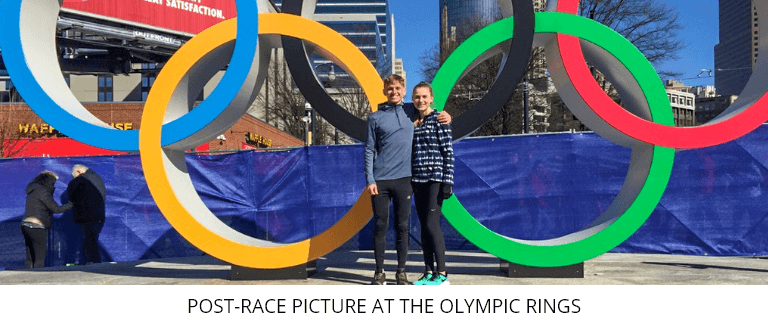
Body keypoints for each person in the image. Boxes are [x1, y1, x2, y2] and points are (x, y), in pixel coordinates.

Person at [364, 74, 451, 285]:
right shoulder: (375, 117)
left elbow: (431, 112)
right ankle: (379, 272)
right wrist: (370, 179)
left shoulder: (411, 110)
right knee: (381, 226)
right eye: (390, 88)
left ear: (404, 91)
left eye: (398, 88)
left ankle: (403, 272)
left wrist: (448, 115)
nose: (394, 92)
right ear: (385, 91)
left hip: (406, 180)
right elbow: (368, 149)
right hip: (382, 180)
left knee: (404, 227)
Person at [409, 82, 454, 285]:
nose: (421, 100)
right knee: (423, 227)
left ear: (431, 98)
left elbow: (448, 152)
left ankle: (442, 274)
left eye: (424, 97)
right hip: (416, 179)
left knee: (431, 224)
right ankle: (428, 271)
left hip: (434, 178)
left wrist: (447, 181)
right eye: (417, 97)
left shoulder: (440, 119)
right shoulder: (413, 121)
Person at [20, 171, 73, 268]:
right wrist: (71, 204)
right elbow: (56, 209)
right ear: (49, 181)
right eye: (53, 183)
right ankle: (38, 279)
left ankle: (26, 278)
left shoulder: (33, 190)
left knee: (30, 256)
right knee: (39, 257)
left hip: (26, 225)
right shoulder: (43, 191)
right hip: (37, 226)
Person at [67, 164, 106, 265]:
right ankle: (94, 260)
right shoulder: (97, 178)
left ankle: (92, 261)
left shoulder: (79, 181)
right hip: (99, 214)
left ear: (78, 172)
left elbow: (71, 196)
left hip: (85, 215)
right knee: (93, 238)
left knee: (89, 239)